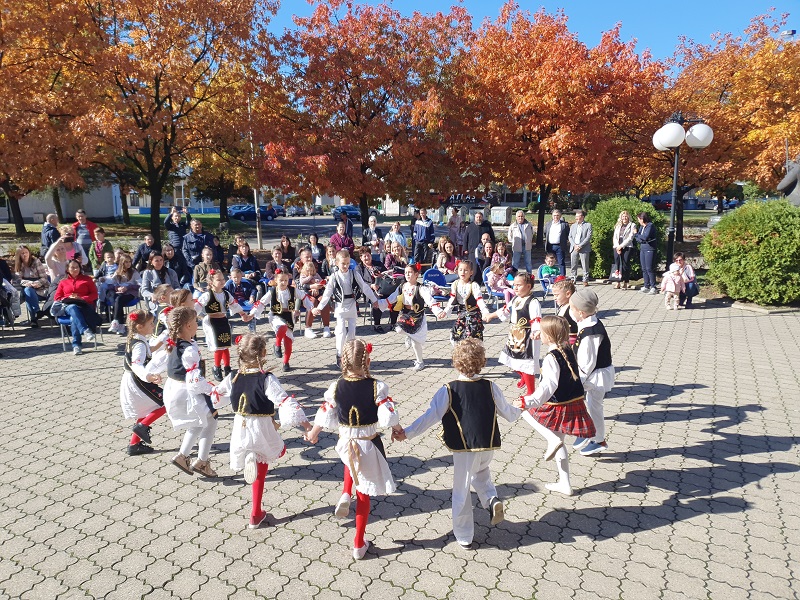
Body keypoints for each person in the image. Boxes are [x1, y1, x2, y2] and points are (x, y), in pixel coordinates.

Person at [394, 338, 520, 549]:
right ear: (483, 361)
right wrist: (521, 407)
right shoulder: (491, 387)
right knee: (482, 474)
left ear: (455, 362)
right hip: (488, 445)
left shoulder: (448, 390)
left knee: (461, 489)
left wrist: (407, 433)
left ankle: (464, 536)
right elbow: (508, 414)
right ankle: (491, 500)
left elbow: (430, 417)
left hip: (464, 448)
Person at [305, 339, 402, 559]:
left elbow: (324, 413)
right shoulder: (377, 386)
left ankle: (345, 493)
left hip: (345, 441)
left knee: (350, 462)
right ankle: (358, 544)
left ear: (343, 362)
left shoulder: (336, 387)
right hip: (368, 443)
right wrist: (398, 430)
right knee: (365, 494)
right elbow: (388, 415)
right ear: (367, 360)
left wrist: (313, 433)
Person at [214, 334, 312, 529]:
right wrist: (306, 426)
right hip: (262, 425)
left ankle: (256, 512)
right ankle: (255, 512)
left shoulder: (232, 376)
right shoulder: (266, 378)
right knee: (275, 452)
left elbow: (217, 395)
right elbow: (283, 401)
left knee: (261, 458)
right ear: (264, 353)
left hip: (240, 425)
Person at [516, 316, 595, 496]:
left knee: (525, 412)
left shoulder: (552, 357)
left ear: (549, 336)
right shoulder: (567, 349)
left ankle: (551, 439)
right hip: (572, 401)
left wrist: (527, 401)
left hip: (557, 404)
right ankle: (565, 483)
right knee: (560, 444)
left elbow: (547, 387)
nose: (539, 335)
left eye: (541, 332)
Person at [163, 306, 220, 478]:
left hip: (174, 388)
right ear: (188, 325)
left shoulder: (175, 343)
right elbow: (194, 381)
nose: (197, 324)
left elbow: (159, 362)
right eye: (195, 321)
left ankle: (189, 457)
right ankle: (195, 459)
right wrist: (213, 389)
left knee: (204, 421)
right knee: (209, 419)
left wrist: (150, 373)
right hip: (186, 392)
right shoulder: (189, 349)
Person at [314, 250, 381, 366]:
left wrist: (374, 300)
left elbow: (364, 287)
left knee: (351, 333)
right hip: (340, 306)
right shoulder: (334, 277)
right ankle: (339, 355)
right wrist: (320, 307)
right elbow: (327, 293)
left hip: (352, 305)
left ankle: (350, 355)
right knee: (340, 331)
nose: (345, 266)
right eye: (343, 263)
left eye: (347, 263)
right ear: (337, 263)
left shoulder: (354, 274)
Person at [569, 289, 615, 456]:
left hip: (596, 376)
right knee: (592, 405)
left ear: (580, 312)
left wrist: (576, 383)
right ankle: (592, 435)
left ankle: (594, 437)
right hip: (593, 374)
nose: (570, 312)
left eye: (571, 309)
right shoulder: (587, 324)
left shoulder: (591, 333)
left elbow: (587, 363)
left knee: (585, 403)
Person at [119, 310, 166, 456]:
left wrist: (164, 339)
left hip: (135, 379)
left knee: (144, 410)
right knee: (167, 402)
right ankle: (142, 426)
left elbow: (149, 349)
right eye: (151, 323)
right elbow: (137, 364)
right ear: (140, 326)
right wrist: (149, 376)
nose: (153, 326)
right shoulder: (138, 344)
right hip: (138, 380)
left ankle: (134, 445)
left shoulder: (136, 337)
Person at [489, 271, 541, 396]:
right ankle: (523, 376)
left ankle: (531, 391)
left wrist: (537, 331)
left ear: (528, 286)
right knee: (510, 359)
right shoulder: (516, 299)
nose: (515, 287)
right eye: (514, 285)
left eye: (519, 285)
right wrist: (491, 316)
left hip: (527, 336)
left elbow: (536, 320)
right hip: (515, 334)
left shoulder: (533, 302)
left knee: (526, 363)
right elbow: (505, 310)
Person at [250, 269, 314, 371]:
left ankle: (286, 362)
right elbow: (262, 302)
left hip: (289, 316)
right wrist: (252, 313)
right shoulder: (272, 292)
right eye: (281, 280)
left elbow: (304, 296)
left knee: (288, 341)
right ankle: (277, 344)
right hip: (275, 315)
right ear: (276, 280)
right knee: (282, 327)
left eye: (285, 280)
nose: (283, 283)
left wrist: (311, 307)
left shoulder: (293, 290)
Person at [386, 264, 444, 370]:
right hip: (406, 314)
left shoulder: (421, 288)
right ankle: (409, 335)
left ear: (416, 274)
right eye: (406, 272)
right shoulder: (402, 286)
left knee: (416, 342)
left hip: (418, 316)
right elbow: (392, 297)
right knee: (398, 329)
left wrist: (438, 311)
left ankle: (420, 362)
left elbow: (430, 300)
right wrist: (380, 303)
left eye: (410, 272)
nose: (407, 274)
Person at [195, 269, 252, 380]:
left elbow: (234, 305)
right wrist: (192, 315)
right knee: (218, 347)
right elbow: (198, 305)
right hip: (212, 322)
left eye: (223, 279)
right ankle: (216, 367)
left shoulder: (226, 294)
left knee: (226, 345)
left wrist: (242, 314)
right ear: (211, 282)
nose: (222, 281)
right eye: (218, 280)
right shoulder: (207, 295)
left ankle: (227, 367)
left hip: (223, 321)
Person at [54, 259, 100, 355]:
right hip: (67, 306)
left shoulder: (87, 279)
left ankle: (76, 345)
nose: (75, 269)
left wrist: (82, 298)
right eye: (72, 267)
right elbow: (57, 297)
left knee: (73, 318)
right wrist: (68, 297)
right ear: (67, 269)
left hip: (84, 306)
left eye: (77, 267)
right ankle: (85, 330)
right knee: (72, 307)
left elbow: (95, 295)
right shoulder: (63, 282)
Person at [443, 261, 491, 344]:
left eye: (466, 270)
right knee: (456, 334)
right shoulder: (455, 284)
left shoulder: (474, 285)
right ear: (457, 271)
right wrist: (445, 311)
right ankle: (461, 354)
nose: (463, 272)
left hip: (473, 313)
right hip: (461, 312)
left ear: (471, 272)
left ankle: (476, 354)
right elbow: (452, 299)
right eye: (460, 270)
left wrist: (485, 312)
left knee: (473, 335)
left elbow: (479, 300)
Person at [355, 246, 390, 333]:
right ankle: (377, 324)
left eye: (368, 255)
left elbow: (387, 275)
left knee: (395, 298)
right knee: (376, 300)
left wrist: (381, 276)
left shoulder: (378, 264)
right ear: (361, 258)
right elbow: (360, 283)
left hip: (382, 288)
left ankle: (393, 323)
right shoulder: (359, 268)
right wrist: (371, 285)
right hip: (369, 291)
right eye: (364, 256)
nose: (367, 257)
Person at [13, 245, 48, 327]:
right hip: (27, 287)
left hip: (40, 288)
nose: (25, 255)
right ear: (19, 255)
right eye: (22, 253)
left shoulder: (36, 261)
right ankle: (37, 312)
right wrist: (27, 283)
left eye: (26, 252)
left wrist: (36, 283)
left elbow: (44, 278)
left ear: (29, 252)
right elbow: (18, 279)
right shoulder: (19, 264)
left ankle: (34, 319)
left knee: (27, 294)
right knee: (28, 291)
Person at [107, 254, 141, 335]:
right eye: (126, 262)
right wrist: (117, 288)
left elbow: (140, 284)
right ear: (122, 263)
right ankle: (121, 326)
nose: (128, 264)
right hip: (119, 293)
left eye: (129, 262)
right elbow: (111, 284)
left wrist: (128, 287)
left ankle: (115, 322)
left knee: (118, 300)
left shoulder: (134, 272)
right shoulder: (118, 272)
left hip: (131, 293)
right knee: (117, 299)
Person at [296, 260, 331, 338]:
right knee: (313, 302)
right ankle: (308, 328)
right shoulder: (302, 275)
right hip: (306, 294)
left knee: (324, 300)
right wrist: (312, 284)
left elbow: (322, 281)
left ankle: (326, 327)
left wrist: (318, 284)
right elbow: (302, 284)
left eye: (311, 271)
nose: (310, 272)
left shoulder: (316, 274)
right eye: (308, 271)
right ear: (304, 270)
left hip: (318, 293)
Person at [611, 211, 637, 289]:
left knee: (625, 265)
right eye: (623, 216)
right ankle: (618, 281)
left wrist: (621, 246)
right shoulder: (618, 225)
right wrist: (617, 246)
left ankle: (626, 282)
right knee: (617, 264)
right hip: (617, 245)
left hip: (627, 246)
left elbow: (630, 237)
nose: (624, 218)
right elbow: (615, 237)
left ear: (628, 217)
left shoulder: (632, 225)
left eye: (626, 216)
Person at [635, 212, 658, 294]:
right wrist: (638, 236)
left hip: (650, 249)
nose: (638, 221)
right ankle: (646, 285)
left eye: (639, 219)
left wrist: (637, 235)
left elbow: (645, 237)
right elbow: (638, 238)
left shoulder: (650, 226)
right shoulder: (642, 227)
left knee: (649, 268)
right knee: (644, 268)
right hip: (643, 248)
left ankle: (653, 287)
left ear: (642, 219)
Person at [568, 209, 592, 286]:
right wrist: (574, 245)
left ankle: (585, 279)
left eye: (578, 217)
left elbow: (588, 237)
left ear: (583, 217)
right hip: (574, 247)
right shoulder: (573, 225)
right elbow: (570, 236)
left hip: (583, 248)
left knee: (584, 265)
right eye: (576, 218)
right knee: (573, 264)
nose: (577, 219)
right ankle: (573, 278)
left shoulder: (588, 225)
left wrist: (580, 245)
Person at [543, 209, 570, 276]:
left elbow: (568, 234)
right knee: (550, 262)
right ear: (552, 216)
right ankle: (549, 276)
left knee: (561, 262)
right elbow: (545, 233)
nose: (556, 217)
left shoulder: (564, 224)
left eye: (558, 215)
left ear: (560, 216)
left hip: (560, 246)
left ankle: (562, 277)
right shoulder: (548, 224)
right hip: (550, 246)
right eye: (554, 215)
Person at [552, 277, 578, 345]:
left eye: (557, 295)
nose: (554, 298)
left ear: (568, 294)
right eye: (554, 295)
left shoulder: (572, 309)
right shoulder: (562, 307)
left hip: (571, 343)